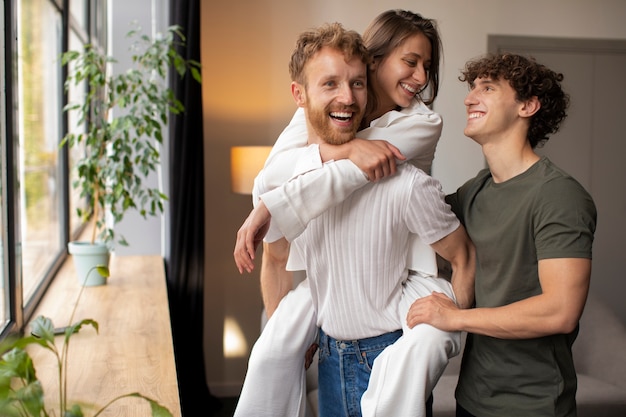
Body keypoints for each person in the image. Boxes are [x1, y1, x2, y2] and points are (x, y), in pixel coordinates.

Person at [234, 20, 475, 417]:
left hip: (394, 321)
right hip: (332, 350)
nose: (421, 77)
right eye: (410, 61)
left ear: (365, 76)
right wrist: (292, 348)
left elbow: (364, 167)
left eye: (427, 67)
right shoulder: (314, 128)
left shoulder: (417, 133)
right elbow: (272, 179)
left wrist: (270, 203)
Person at [406, 53, 597, 417]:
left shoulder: (559, 195)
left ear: (527, 105)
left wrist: (455, 318)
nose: (469, 98)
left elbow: (559, 312)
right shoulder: (476, 189)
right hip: (473, 397)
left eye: (488, 88)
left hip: (533, 405)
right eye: (472, 87)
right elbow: (412, 224)